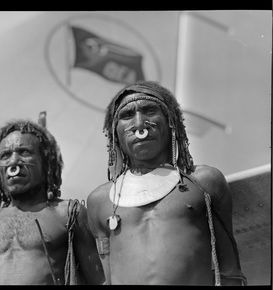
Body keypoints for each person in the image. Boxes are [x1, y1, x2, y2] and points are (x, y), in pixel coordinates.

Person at [86, 81, 247, 285]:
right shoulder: (100, 201)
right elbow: (107, 278)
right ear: (114, 133)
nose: (139, 125)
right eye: (127, 115)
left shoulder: (204, 182)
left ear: (171, 121)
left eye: (149, 110)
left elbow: (230, 271)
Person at [0, 113, 105, 285]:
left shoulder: (68, 214)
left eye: (24, 152)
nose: (14, 162)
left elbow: (99, 280)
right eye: (5, 155)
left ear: (46, 163)